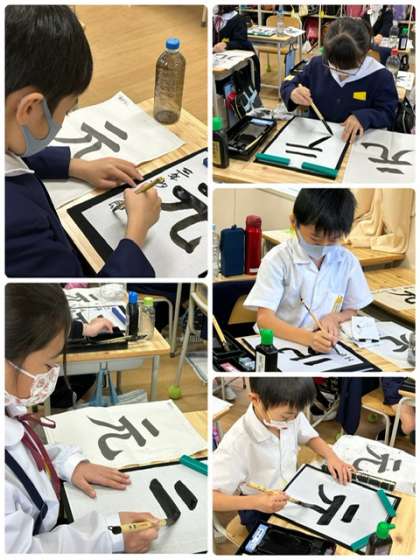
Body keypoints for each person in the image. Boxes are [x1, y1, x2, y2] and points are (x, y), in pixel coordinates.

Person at [5, 6, 161, 277]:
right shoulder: (18, 229)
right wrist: (136, 232)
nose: (64, 119)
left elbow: (12, 148)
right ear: (30, 108)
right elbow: (77, 294)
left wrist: (76, 166)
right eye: (67, 110)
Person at [5, 284, 160, 552]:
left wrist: (66, 463)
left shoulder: (8, 405)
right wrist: (109, 536)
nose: (52, 374)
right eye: (48, 364)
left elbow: (23, 456)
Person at [213, 377, 355, 530]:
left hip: (292, 492)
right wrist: (256, 502)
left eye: (296, 415)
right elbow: (213, 497)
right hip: (259, 508)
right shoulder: (237, 442)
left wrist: (332, 457)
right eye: (285, 417)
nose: (291, 421)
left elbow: (310, 437)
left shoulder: (290, 411)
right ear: (255, 400)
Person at [244, 189, 373, 354]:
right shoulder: (277, 260)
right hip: (280, 345)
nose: (324, 246)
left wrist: (335, 318)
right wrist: (309, 338)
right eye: (315, 239)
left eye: (333, 239)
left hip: (324, 347)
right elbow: (265, 320)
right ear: (294, 222)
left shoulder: (347, 261)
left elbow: (352, 309)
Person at [280, 17, 398, 143]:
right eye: (332, 65)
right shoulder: (317, 64)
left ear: (366, 53)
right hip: (317, 137)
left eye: (349, 69)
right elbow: (288, 84)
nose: (338, 72)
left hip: (357, 142)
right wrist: (292, 93)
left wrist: (364, 117)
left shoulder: (381, 76)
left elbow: (388, 112)